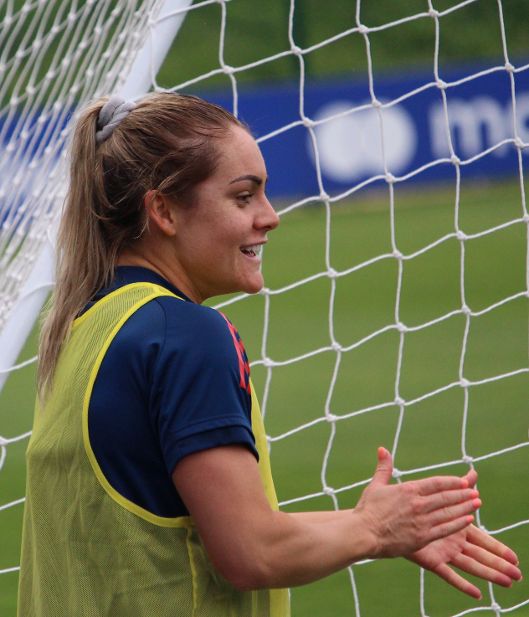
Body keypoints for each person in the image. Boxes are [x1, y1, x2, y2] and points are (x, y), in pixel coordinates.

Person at [18, 93, 522, 617]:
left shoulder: (86, 329)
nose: (270, 216)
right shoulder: (184, 336)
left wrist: (373, 526)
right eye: (244, 196)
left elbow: (201, 528)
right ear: (163, 210)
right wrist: (373, 529)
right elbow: (250, 552)